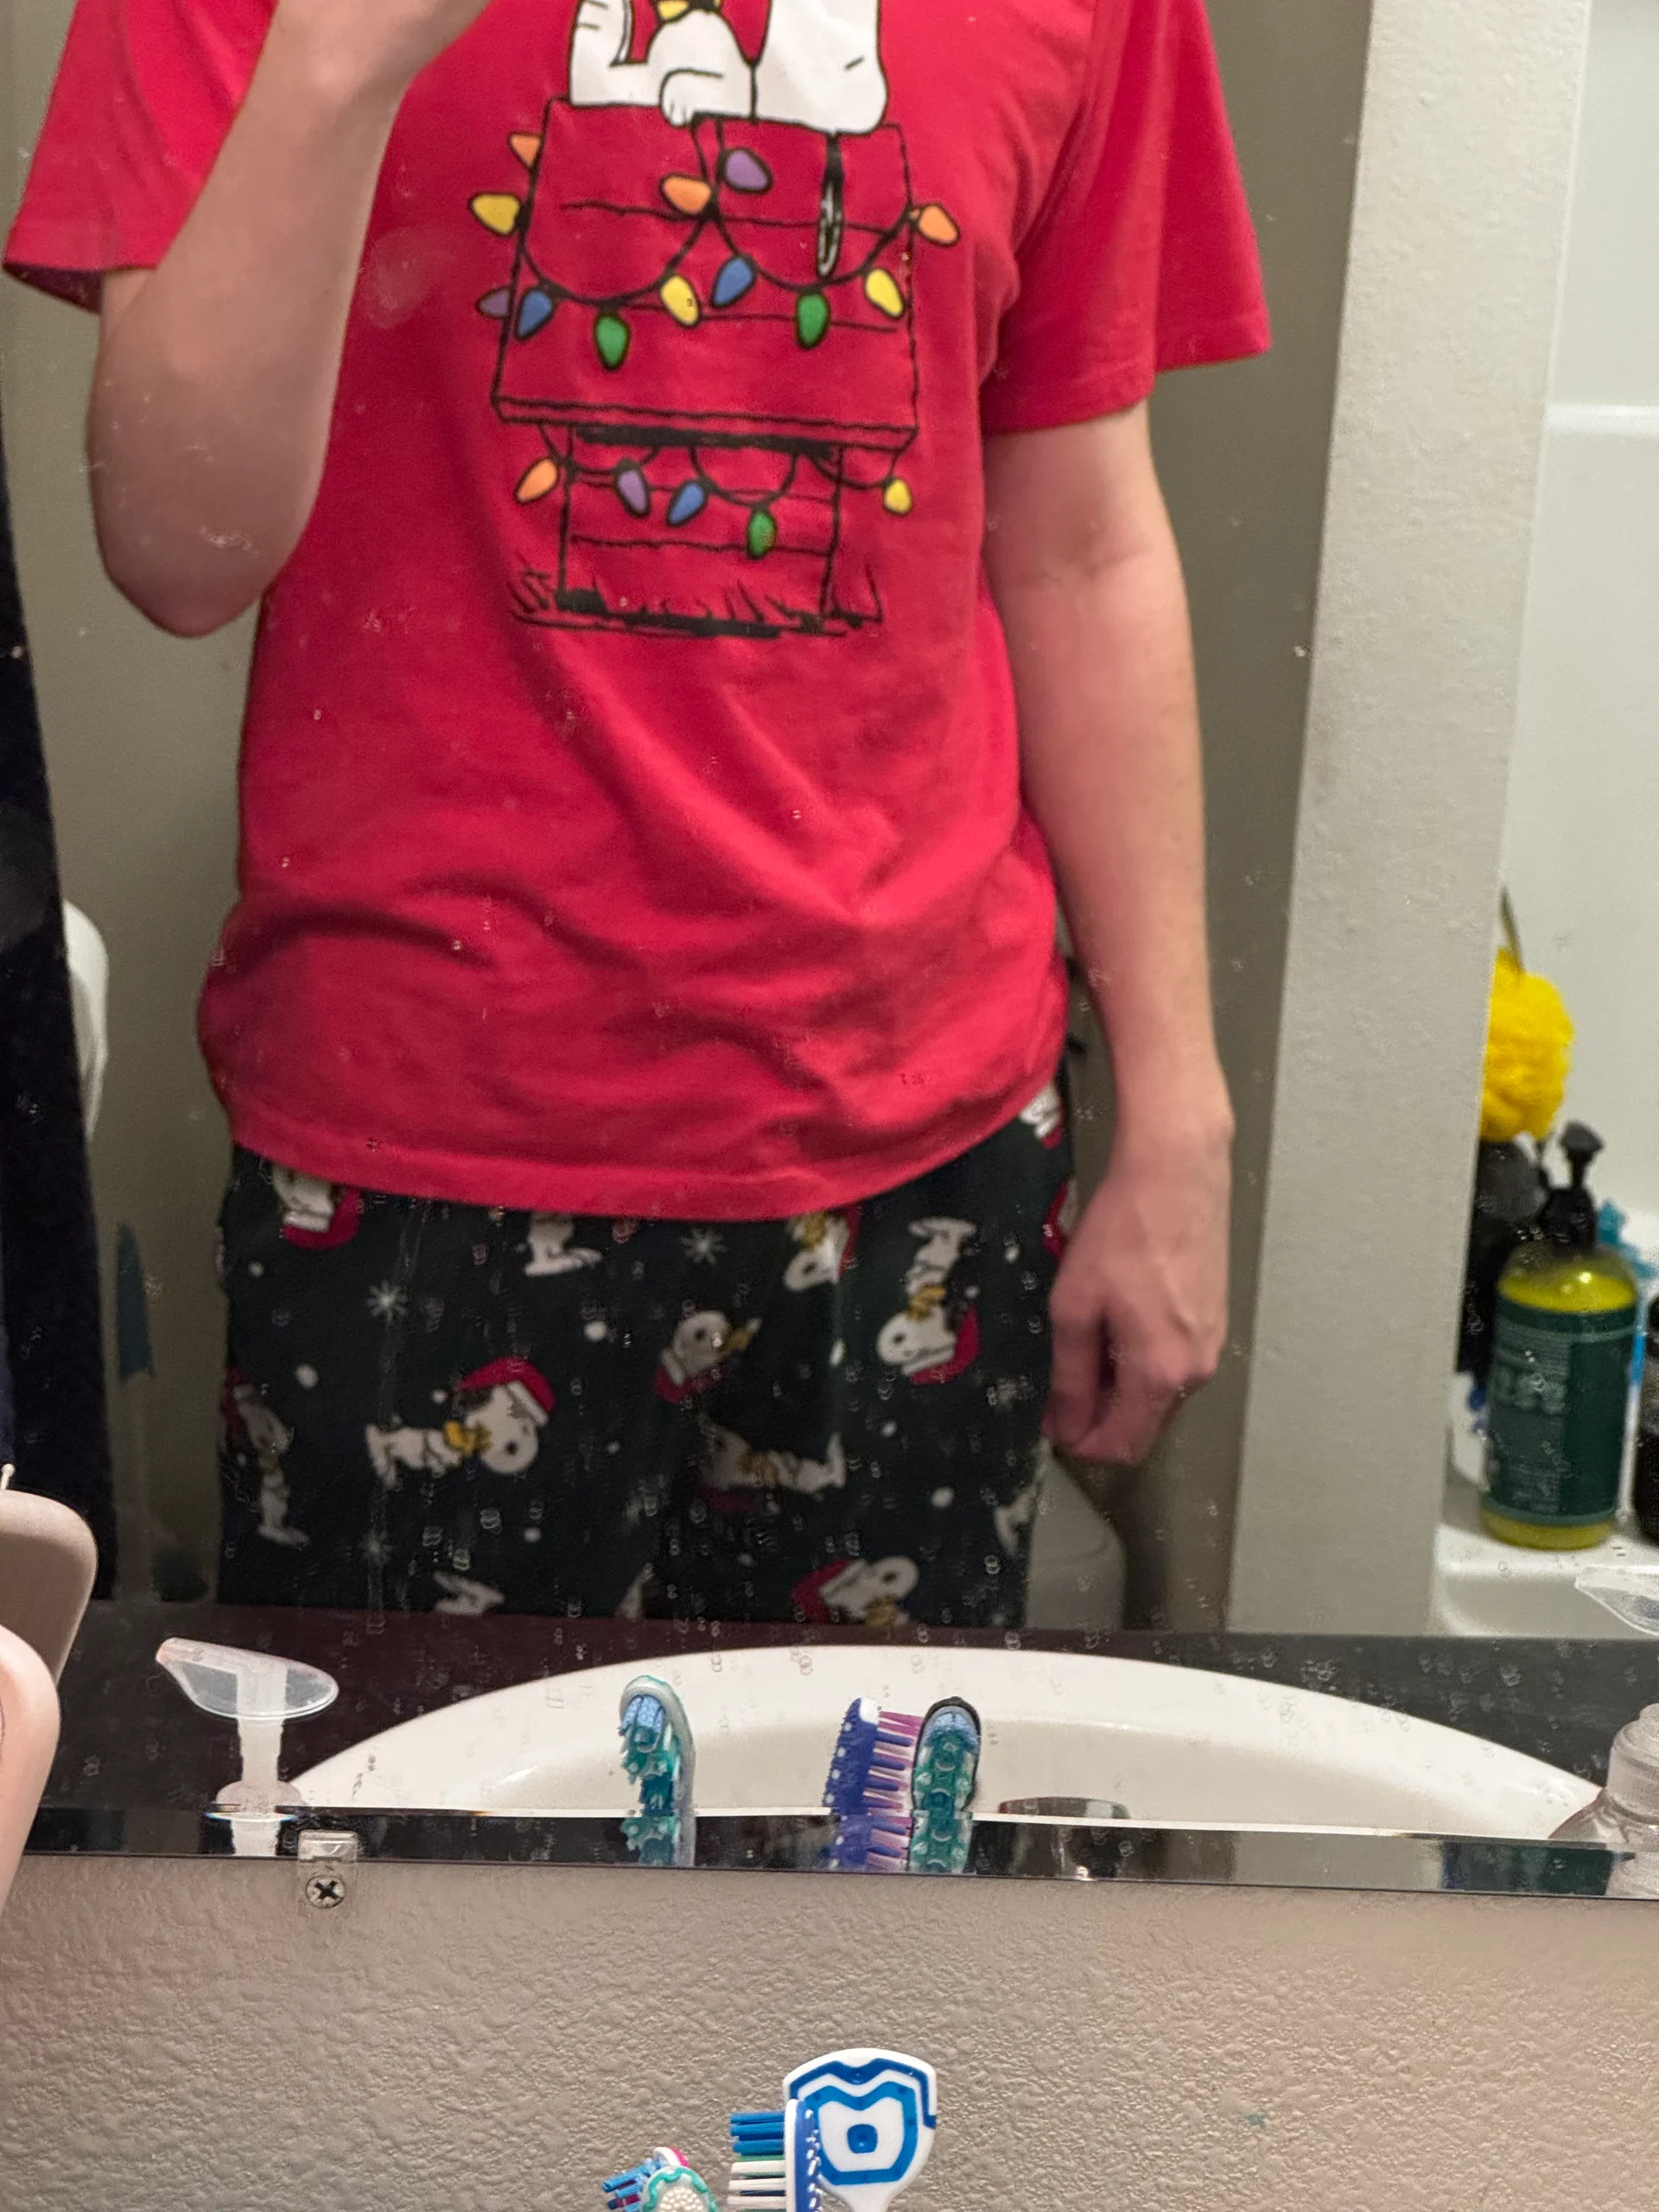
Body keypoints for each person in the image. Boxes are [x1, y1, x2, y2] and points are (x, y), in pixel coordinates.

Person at [4, 0, 1268, 1624]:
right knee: (395, 1805)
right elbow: (176, 554)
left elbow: (1080, 543)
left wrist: (1178, 1112)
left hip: (930, 1147)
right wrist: (334, 59)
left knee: (873, 1801)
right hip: (428, 1133)